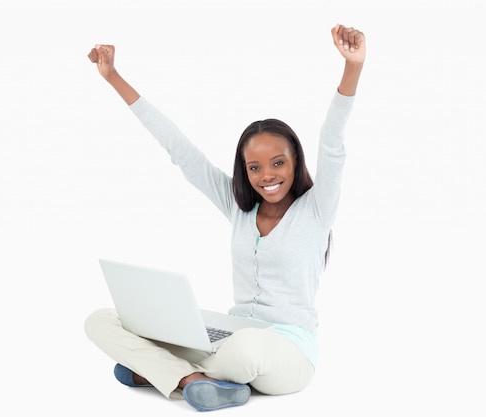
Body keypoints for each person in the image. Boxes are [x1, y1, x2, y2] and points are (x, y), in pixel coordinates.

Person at [84, 24, 365, 412]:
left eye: (278, 163)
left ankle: (162, 371)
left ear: (296, 162)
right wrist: (114, 77)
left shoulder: (316, 210)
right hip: (228, 334)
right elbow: (180, 150)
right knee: (101, 320)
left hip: (286, 350)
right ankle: (193, 380)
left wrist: (353, 67)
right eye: (254, 167)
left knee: (244, 350)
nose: (267, 176)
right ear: (245, 171)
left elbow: (333, 142)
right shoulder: (238, 207)